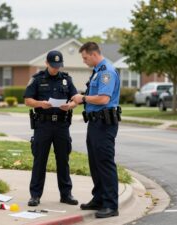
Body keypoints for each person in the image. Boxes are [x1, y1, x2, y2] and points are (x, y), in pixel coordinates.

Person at [71, 42, 121, 218]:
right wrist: (76, 102)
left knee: (105, 163)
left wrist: (82, 98)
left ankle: (111, 205)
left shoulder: (106, 71)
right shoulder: (97, 72)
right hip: (95, 123)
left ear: (93, 54)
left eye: (85, 57)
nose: (84, 61)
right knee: (95, 163)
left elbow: (103, 99)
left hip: (104, 124)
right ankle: (99, 198)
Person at [24, 50, 79, 207]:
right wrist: (41, 103)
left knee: (63, 160)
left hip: (62, 125)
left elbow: (75, 99)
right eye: (53, 65)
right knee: (40, 160)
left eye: (58, 66)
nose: (56, 68)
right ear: (47, 63)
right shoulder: (37, 79)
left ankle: (66, 194)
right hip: (43, 125)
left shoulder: (67, 80)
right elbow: (28, 100)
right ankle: (35, 195)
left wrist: (70, 106)